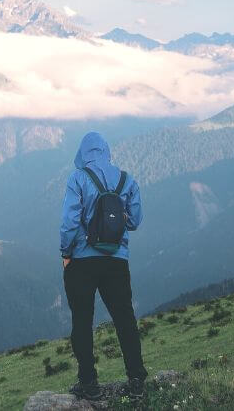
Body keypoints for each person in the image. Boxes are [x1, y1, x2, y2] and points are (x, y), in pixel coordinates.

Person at [60, 131, 147, 400]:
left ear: (82, 154)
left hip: (82, 262)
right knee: (124, 319)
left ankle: (89, 383)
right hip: (116, 261)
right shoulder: (126, 179)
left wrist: (66, 252)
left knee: (82, 321)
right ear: (107, 151)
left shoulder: (78, 178)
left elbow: (70, 222)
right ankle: (136, 380)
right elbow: (134, 221)